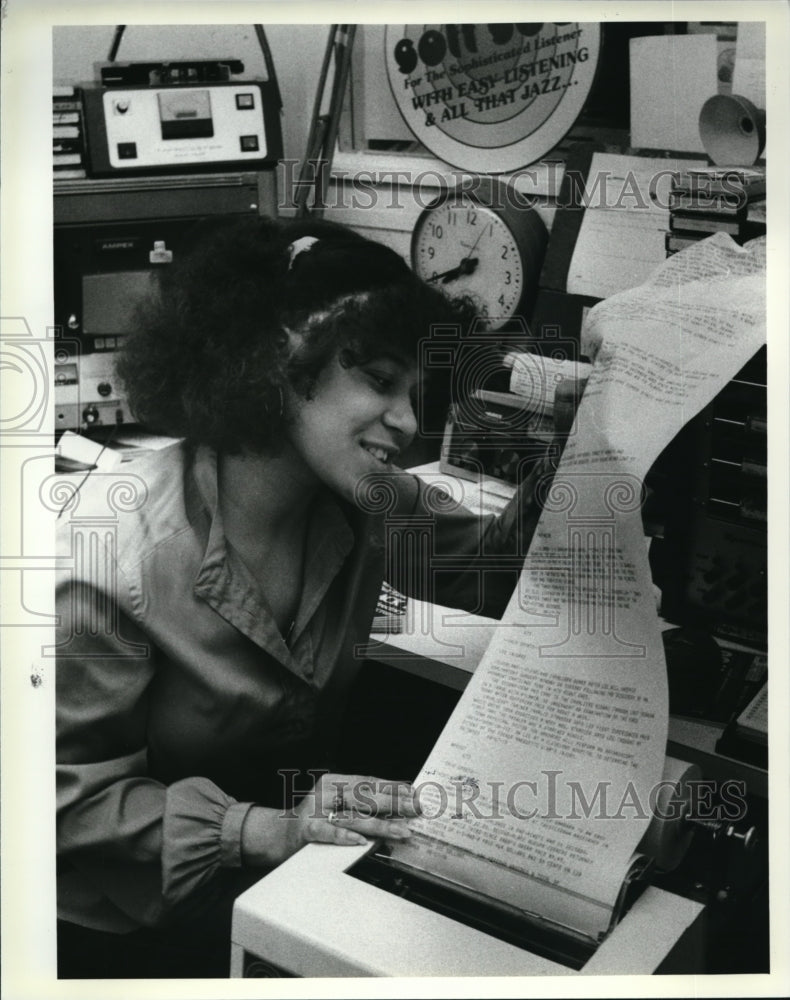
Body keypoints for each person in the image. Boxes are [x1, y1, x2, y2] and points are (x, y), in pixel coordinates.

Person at [55, 215, 551, 978]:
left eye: (414, 392)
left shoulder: (362, 501)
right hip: (117, 926)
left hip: (275, 873)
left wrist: (588, 443)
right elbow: (67, 810)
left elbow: (493, 569)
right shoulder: (113, 553)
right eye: (381, 382)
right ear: (278, 360)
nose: (409, 424)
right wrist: (272, 831)